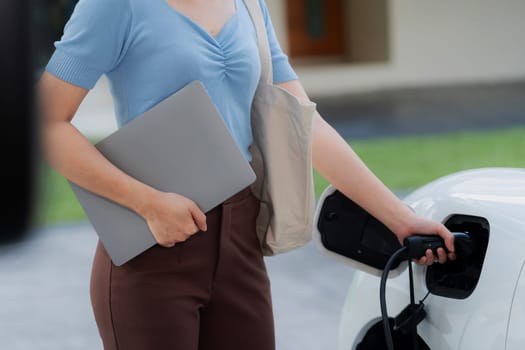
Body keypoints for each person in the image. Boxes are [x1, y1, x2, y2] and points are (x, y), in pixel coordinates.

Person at [38, 0, 456, 349]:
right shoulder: (115, 6)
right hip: (152, 247)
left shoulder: (247, 5)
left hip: (239, 242)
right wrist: (146, 203)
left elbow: (305, 127)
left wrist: (400, 219)